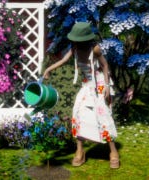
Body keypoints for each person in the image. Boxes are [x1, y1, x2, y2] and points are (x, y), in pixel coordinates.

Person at [43, 22, 120, 168]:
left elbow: (105, 66)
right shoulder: (75, 48)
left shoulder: (95, 49)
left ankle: (113, 151)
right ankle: (80, 151)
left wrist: (108, 87)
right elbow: (63, 60)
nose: (76, 42)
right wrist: (48, 69)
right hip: (87, 86)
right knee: (77, 114)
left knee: (103, 115)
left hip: (101, 84)